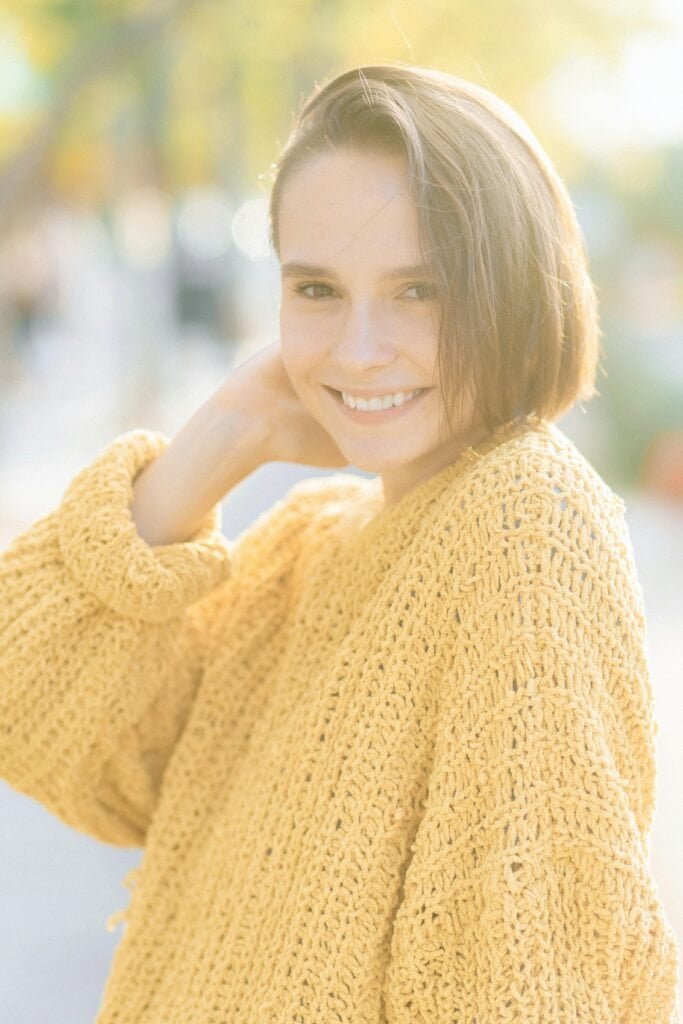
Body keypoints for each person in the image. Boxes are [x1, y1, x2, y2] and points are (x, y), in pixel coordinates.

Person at [0, 62, 679, 1024]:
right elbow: (40, 714)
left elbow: (526, 986)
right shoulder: (311, 546)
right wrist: (214, 441)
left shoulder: (524, 529)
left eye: (419, 290)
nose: (359, 349)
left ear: (516, 288)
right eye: (316, 289)